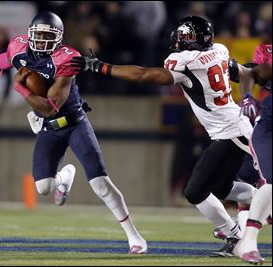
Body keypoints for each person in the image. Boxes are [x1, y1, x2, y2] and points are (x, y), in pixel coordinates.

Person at [71, 16, 258, 256]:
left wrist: (100, 66)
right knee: (221, 188)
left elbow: (142, 75)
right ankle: (263, 203)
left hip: (229, 132)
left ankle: (235, 235)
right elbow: (241, 71)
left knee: (195, 191)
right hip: (236, 126)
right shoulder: (220, 50)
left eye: (185, 37)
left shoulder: (185, 61)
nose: (180, 41)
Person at [0, 11, 147, 254]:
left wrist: (20, 88)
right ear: (29, 34)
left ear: (59, 38)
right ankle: (65, 176)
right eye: (38, 35)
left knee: (101, 183)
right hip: (49, 129)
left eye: (48, 36)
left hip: (73, 122)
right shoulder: (18, 48)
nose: (42, 41)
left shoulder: (65, 59)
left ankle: (134, 237)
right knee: (43, 188)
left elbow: (50, 108)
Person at [233, 62, 272, 265]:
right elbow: (250, 73)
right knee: (271, 182)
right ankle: (248, 242)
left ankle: (243, 238)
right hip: (269, 128)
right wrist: (247, 97)